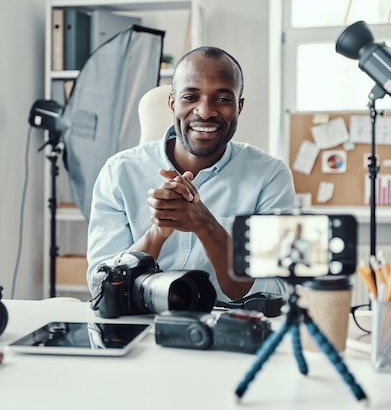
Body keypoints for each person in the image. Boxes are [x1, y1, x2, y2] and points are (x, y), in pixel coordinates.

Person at [86, 46, 296, 302]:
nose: (205, 112)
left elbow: (274, 289)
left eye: (222, 99)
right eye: (190, 97)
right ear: (172, 103)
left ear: (239, 107)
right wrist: (158, 231)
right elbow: (102, 288)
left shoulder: (270, 176)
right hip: (138, 326)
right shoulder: (119, 173)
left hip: (231, 329)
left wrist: (206, 225)